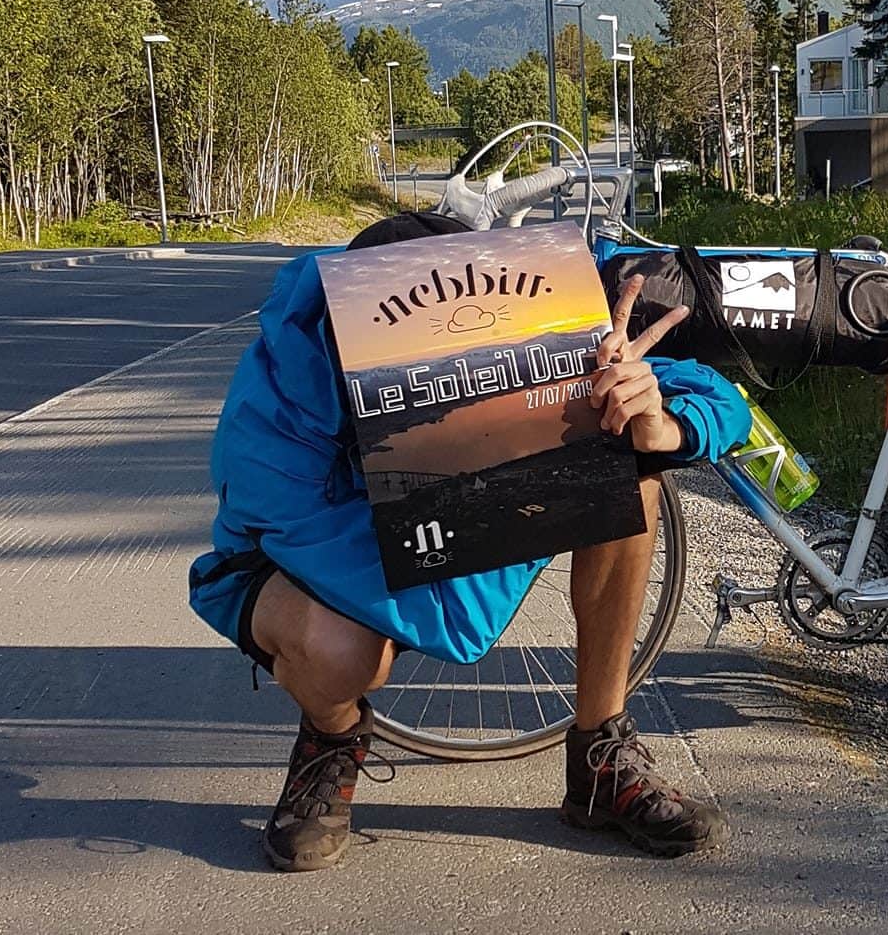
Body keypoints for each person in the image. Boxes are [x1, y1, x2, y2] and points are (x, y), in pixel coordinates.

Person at [188, 212, 751, 871]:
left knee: (631, 467)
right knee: (343, 652)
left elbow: (721, 398)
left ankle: (602, 755)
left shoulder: (519, 317)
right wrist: (487, 535)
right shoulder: (286, 374)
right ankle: (331, 734)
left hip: (439, 529)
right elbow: (291, 524)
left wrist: (659, 422)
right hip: (294, 567)